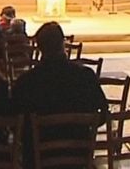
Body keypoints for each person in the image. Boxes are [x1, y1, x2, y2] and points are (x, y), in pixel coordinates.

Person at [12, 22, 107, 168]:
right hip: (78, 158)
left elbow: (15, 123)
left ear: (39, 47)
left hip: (38, 161)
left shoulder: (25, 82)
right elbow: (103, 115)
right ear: (63, 44)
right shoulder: (85, 77)